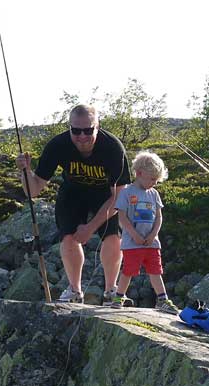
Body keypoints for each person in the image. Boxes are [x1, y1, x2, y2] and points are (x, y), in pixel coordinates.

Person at [17, 104, 131, 304]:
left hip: (106, 195)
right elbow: (33, 190)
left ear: (98, 126)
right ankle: (74, 291)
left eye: (88, 130)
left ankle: (111, 291)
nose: (82, 136)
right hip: (73, 192)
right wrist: (25, 171)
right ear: (69, 127)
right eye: (76, 130)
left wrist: (90, 228)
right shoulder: (57, 145)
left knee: (112, 237)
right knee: (68, 238)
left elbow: (119, 197)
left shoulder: (113, 147)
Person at [110, 151, 177, 313]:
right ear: (139, 173)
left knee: (156, 270)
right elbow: (122, 217)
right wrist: (134, 235)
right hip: (132, 243)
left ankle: (162, 299)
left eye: (157, 180)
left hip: (152, 243)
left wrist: (153, 234)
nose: (154, 183)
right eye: (152, 179)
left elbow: (159, 217)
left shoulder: (154, 194)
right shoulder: (127, 192)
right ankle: (119, 296)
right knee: (129, 270)